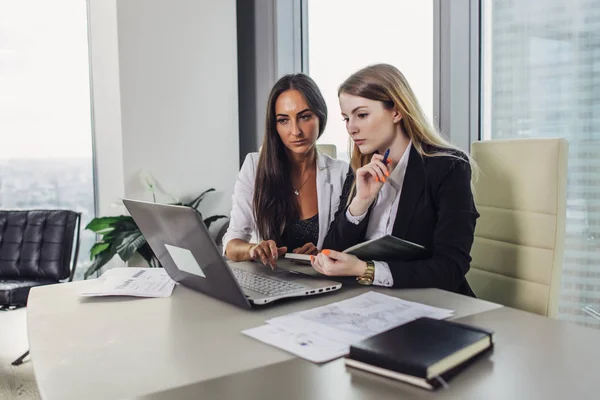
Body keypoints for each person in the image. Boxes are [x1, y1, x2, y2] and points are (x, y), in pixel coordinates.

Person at [311, 64, 479, 296]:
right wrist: (361, 202)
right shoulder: (361, 169)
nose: (351, 128)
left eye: (361, 115)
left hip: (432, 304)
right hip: (369, 301)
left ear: (396, 111)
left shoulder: (448, 167)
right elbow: (331, 254)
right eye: (346, 118)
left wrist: (365, 269)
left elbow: (450, 269)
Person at [223, 73, 349, 269]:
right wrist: (253, 249)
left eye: (305, 117)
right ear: (274, 125)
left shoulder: (341, 173)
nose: (296, 131)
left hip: (320, 280)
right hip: (268, 280)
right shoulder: (254, 167)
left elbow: (351, 243)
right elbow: (232, 243)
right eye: (284, 120)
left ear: (320, 116)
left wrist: (323, 252)